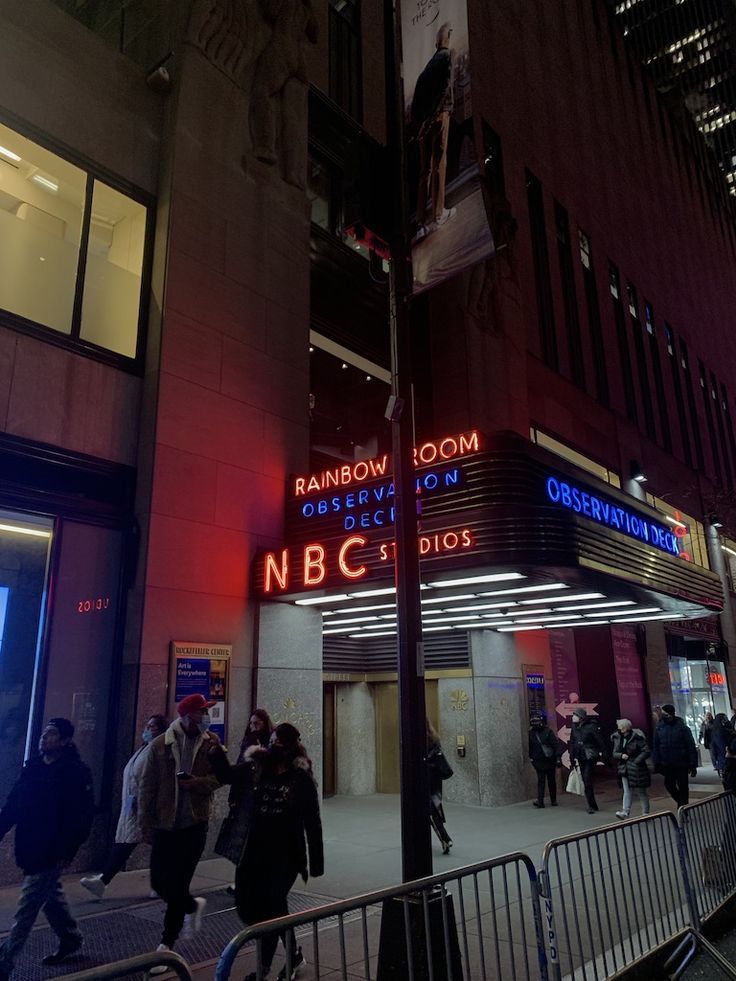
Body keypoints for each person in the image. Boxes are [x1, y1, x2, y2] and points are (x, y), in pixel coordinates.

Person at [210, 722, 323, 981]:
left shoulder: (301, 779)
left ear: (292, 748)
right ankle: (294, 954)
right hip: (253, 853)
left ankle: (261, 971)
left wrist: (316, 862)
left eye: (280, 743)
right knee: (252, 908)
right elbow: (227, 775)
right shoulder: (257, 768)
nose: (274, 747)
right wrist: (216, 751)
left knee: (273, 908)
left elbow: (312, 821)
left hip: (286, 857)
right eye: (272, 742)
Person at [0, 718, 94, 980]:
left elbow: (81, 817)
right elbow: (14, 803)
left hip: (52, 851)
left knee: (27, 906)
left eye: (51, 734)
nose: (44, 738)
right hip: (30, 846)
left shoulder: (75, 773)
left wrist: (68, 851)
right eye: (44, 733)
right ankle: (70, 937)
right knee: (50, 896)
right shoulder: (33, 768)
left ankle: (5, 961)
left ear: (64, 741)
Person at [139, 694, 222, 975]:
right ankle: (190, 905)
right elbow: (147, 786)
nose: (207, 717)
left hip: (194, 824)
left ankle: (166, 945)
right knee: (160, 882)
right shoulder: (161, 744)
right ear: (187, 715)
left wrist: (196, 784)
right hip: (165, 824)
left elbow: (220, 778)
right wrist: (145, 823)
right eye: (202, 712)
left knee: (179, 880)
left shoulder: (212, 744)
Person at [80, 714, 168, 899]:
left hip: (146, 805)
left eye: (152, 726)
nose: (147, 728)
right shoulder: (146, 749)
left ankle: (159, 884)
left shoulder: (158, 750)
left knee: (154, 845)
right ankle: (104, 881)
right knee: (128, 843)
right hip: (134, 804)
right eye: (147, 724)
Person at [411, 21, 456, 239]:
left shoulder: (426, 68)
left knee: (424, 171)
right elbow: (446, 87)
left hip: (424, 124)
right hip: (439, 116)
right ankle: (438, 215)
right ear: (446, 38)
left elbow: (417, 101)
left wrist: (421, 124)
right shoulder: (447, 57)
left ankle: (420, 221)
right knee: (439, 162)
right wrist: (438, 113)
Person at [652, 703, 697, 807]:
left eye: (664, 713)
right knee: (669, 785)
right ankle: (681, 803)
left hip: (681, 762)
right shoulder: (660, 727)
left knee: (683, 786)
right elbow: (656, 745)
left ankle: (683, 808)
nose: (661, 714)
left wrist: (693, 764)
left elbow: (691, 746)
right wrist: (657, 762)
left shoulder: (682, 727)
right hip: (667, 763)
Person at [569, 707, 608, 814]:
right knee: (586, 780)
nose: (573, 717)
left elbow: (600, 741)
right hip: (580, 756)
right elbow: (572, 742)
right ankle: (592, 804)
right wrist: (572, 757)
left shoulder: (591, 727)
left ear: (581, 717)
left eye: (576, 715)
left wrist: (604, 755)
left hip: (590, 756)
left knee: (587, 779)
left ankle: (591, 805)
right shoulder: (574, 727)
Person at [611, 719, 651, 819]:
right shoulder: (617, 737)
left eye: (621, 727)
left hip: (637, 768)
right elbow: (614, 753)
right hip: (624, 767)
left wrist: (636, 761)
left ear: (626, 728)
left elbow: (646, 751)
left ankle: (645, 812)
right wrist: (620, 755)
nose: (619, 729)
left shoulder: (637, 738)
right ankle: (625, 811)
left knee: (641, 791)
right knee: (627, 790)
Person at [426, 720, 453, 853]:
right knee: (435, 807)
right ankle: (445, 838)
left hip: (425, 779)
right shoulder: (434, 738)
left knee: (430, 811)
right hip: (436, 780)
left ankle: (445, 838)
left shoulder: (421, 738)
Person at [528, 714, 561, 808]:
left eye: (536, 722)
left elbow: (555, 745)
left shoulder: (547, 732)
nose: (535, 724)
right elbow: (530, 747)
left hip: (549, 760)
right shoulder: (532, 733)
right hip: (540, 760)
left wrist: (558, 757)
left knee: (550, 781)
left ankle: (552, 799)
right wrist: (532, 758)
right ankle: (541, 800)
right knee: (542, 781)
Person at [710, 713, 734, 777]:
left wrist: (715, 762)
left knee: (726, 779)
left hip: (721, 760)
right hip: (730, 758)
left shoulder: (714, 732)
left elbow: (713, 749)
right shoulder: (728, 731)